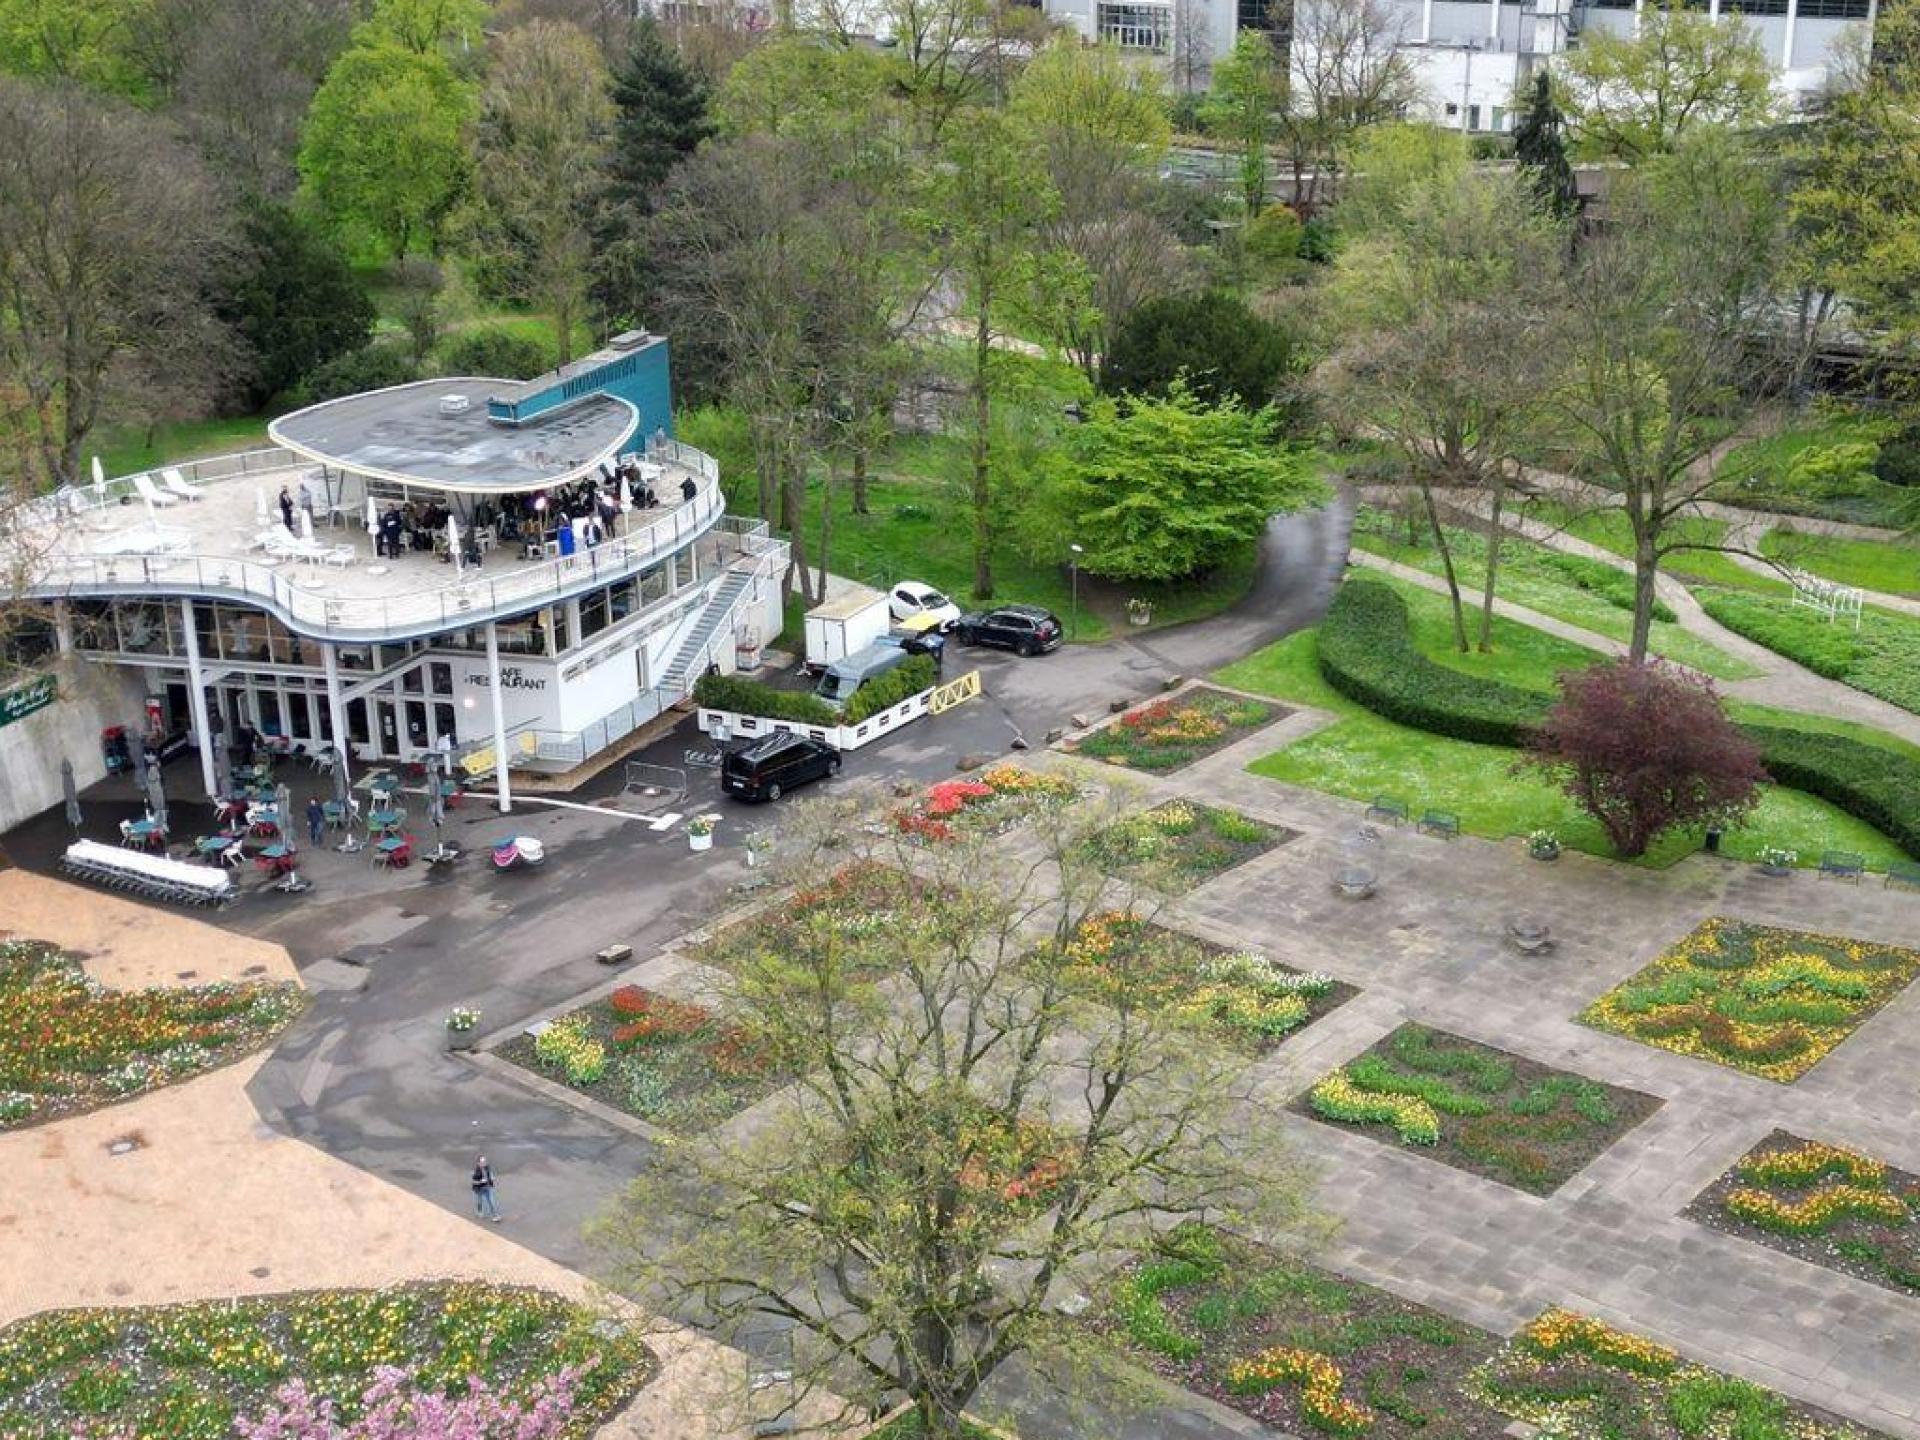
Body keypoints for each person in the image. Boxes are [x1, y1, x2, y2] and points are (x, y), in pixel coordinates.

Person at [471, 1155, 499, 1222]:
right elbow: (474, 1182)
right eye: (482, 1162)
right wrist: (480, 1181)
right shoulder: (476, 1172)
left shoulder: (487, 1167)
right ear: (478, 1163)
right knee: (480, 1201)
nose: (484, 1163)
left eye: (485, 1161)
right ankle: (480, 1212)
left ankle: (495, 1215)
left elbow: (490, 1173)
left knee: (491, 1201)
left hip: (487, 1187)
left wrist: (492, 1178)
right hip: (479, 1189)